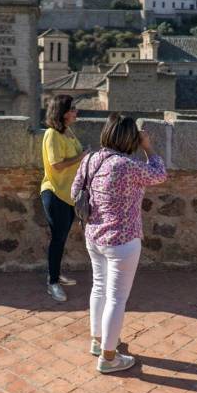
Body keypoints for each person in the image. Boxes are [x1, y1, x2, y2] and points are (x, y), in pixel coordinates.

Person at [71, 113, 167, 374]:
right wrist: (148, 148)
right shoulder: (126, 165)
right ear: (129, 138)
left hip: (94, 236)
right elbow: (160, 174)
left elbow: (74, 192)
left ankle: (97, 340)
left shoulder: (90, 159)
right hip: (123, 241)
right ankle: (109, 357)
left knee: (99, 288)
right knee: (116, 298)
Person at [41, 95, 86, 302]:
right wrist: (82, 157)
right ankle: (52, 284)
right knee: (57, 238)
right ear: (63, 112)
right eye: (73, 109)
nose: (76, 112)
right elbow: (57, 164)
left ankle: (56, 275)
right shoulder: (52, 134)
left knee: (62, 238)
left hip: (68, 194)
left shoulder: (68, 132)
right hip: (55, 191)